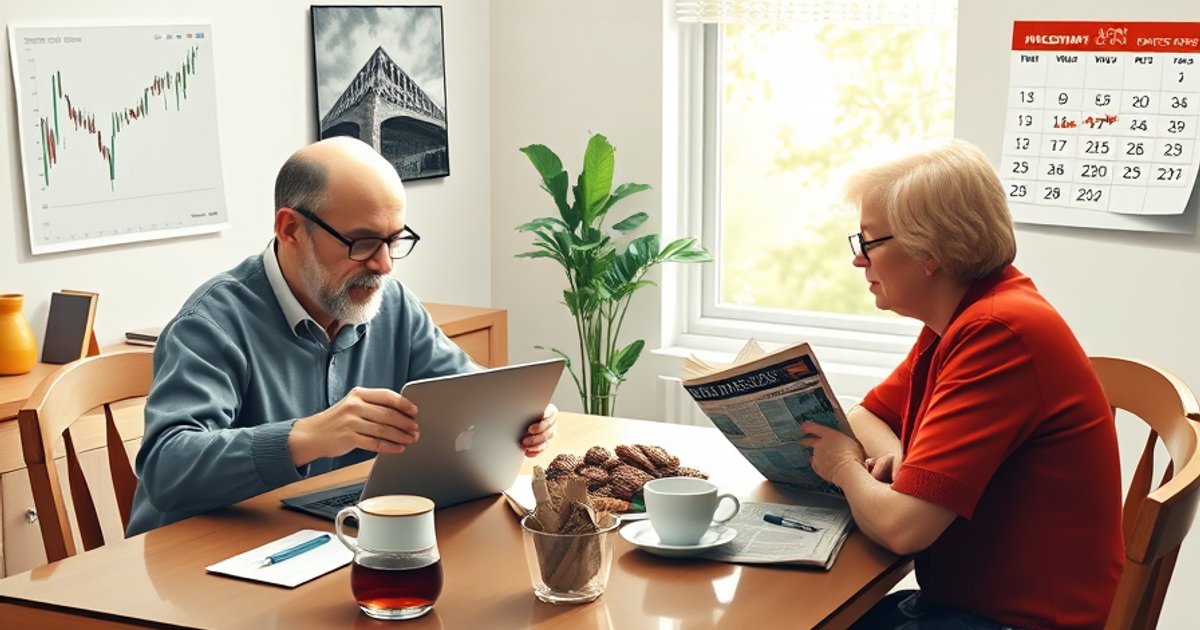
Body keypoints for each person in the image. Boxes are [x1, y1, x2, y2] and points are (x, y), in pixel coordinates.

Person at [128, 137, 557, 535]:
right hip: (203, 557)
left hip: (326, 536)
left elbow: (466, 392)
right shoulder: (211, 324)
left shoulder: (391, 303)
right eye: (362, 242)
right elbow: (167, 467)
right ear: (290, 229)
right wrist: (306, 437)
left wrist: (518, 412)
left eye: (394, 240)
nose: (384, 265)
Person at [799, 139, 1123, 629]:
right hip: (965, 606)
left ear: (928, 250)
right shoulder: (963, 315)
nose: (858, 260)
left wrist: (844, 465)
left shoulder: (997, 333)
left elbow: (904, 529)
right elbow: (867, 415)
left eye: (869, 241)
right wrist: (901, 460)